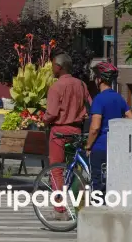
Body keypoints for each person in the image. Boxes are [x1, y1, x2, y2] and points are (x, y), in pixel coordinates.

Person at [42, 52, 92, 220]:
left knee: (56, 170)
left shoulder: (56, 87)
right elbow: (90, 105)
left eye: (53, 65)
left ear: (59, 67)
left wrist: (44, 119)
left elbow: (52, 113)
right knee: (76, 170)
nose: (51, 68)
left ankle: (59, 209)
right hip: (77, 131)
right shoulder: (82, 85)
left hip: (59, 131)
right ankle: (81, 209)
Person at [85, 62, 132, 192]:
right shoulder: (119, 98)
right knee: (112, 185)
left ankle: (97, 210)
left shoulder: (99, 99)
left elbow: (95, 128)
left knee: (97, 184)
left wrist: (88, 145)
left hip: (100, 147)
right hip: (116, 148)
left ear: (99, 79)